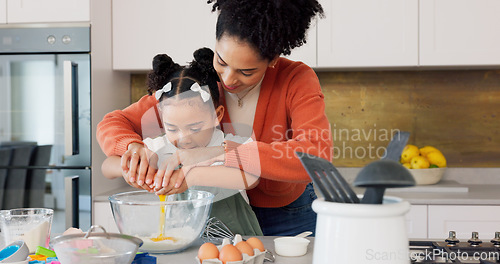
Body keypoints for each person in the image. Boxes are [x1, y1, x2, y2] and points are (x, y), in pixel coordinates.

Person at [97, 0, 331, 236]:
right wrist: (133, 147)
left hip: (286, 213)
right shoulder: (202, 82)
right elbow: (114, 123)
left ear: (273, 60)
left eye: (246, 71)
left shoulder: (295, 79)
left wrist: (223, 152)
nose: (228, 79)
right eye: (221, 61)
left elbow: (315, 156)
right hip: (217, 214)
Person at [101, 48, 263, 236]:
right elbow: (107, 167)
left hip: (237, 247)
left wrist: (195, 172)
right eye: (172, 128)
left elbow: (253, 176)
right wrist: (131, 167)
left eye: (195, 128)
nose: (183, 138)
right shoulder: (160, 147)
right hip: (181, 243)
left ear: (216, 115)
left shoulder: (228, 144)